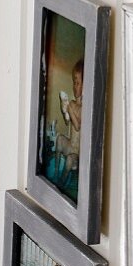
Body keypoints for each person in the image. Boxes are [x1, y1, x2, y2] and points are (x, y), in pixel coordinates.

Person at [54, 58, 84, 191]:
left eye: (77, 82)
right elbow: (68, 122)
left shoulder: (83, 107)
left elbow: (78, 126)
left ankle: (61, 183)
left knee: (70, 160)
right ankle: (55, 173)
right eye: (74, 82)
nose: (74, 86)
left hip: (77, 152)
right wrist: (64, 108)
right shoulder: (73, 103)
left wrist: (70, 108)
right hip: (70, 144)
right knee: (59, 138)